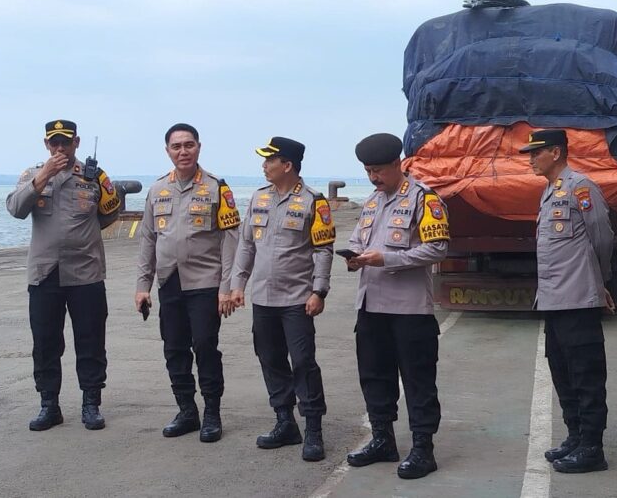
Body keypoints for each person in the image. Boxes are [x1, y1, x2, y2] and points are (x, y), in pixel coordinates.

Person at [343, 133, 449, 479]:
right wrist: (356, 257)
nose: (373, 177)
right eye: (367, 171)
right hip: (371, 306)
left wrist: (387, 258)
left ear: (398, 164)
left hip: (409, 311)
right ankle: (383, 439)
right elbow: (357, 240)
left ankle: (423, 448)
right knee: (374, 376)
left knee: (418, 380)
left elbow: (437, 249)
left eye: (378, 171)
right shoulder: (372, 202)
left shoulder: (424, 199)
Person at [6, 120, 120, 432]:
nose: (59, 148)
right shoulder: (32, 174)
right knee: (45, 342)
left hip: (86, 272)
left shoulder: (95, 176)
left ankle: (91, 403)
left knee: (91, 340)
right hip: (45, 274)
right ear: (46, 144)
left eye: (65, 143)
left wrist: (83, 236)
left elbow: (111, 212)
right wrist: (44, 176)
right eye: (54, 143)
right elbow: (15, 208)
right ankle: (49, 405)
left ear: (76, 143)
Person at [230, 137, 335, 462]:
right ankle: (285, 422)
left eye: (269, 160)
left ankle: (313, 429)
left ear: (286, 165)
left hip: (297, 299)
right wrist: (237, 285)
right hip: (263, 298)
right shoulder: (258, 198)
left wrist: (319, 291)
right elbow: (246, 244)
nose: (264, 165)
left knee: (303, 362)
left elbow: (323, 249)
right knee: (270, 359)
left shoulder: (314, 202)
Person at [135, 123, 240, 443]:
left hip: (205, 283)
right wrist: (143, 286)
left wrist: (227, 287)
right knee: (174, 348)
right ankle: (186, 410)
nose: (183, 151)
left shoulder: (217, 188)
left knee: (205, 346)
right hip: (170, 281)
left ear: (199, 147)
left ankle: (211, 412)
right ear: (167, 150)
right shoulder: (157, 190)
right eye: (177, 146)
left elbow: (231, 240)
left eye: (189, 145)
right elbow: (148, 239)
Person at [519, 129, 614, 473]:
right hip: (553, 300)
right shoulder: (550, 192)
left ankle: (592, 447)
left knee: (586, 374)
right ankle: (575, 435)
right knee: (562, 371)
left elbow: (603, 237)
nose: (530, 159)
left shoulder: (580, 188)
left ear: (556, 153)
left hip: (577, 299)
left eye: (535, 152)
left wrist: (599, 281)